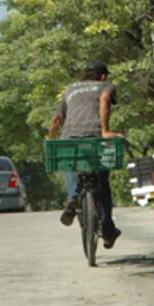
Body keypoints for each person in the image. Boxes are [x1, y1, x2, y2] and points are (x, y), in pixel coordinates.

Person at [48, 60, 123, 249]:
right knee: (102, 183)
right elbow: (105, 100)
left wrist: (51, 138)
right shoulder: (105, 86)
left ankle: (73, 197)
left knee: (70, 162)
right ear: (103, 75)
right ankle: (107, 231)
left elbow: (57, 118)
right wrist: (105, 130)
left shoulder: (70, 89)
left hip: (70, 138)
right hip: (96, 138)